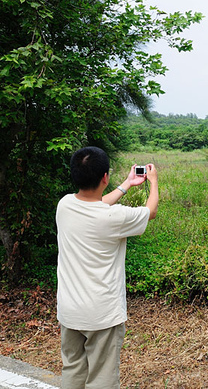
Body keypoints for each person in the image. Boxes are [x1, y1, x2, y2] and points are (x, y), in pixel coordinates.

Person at [55, 146, 158, 388]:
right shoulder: (114, 218)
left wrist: (126, 185)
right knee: (102, 377)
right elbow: (150, 212)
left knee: (72, 370)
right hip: (101, 315)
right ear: (104, 177)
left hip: (70, 311)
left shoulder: (65, 205)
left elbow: (97, 204)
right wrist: (152, 182)